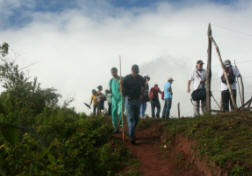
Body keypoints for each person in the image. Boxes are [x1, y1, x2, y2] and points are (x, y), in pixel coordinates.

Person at [122, 64, 145, 144]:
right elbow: (121, 88)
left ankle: (130, 132)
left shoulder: (140, 78)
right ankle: (132, 136)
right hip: (129, 101)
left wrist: (142, 94)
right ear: (131, 70)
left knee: (136, 119)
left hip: (137, 100)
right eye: (134, 72)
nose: (135, 73)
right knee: (131, 119)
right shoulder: (126, 78)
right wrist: (120, 86)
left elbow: (143, 86)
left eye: (136, 72)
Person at [109, 67, 125, 133]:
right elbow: (110, 89)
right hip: (114, 99)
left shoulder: (121, 79)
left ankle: (121, 125)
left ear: (117, 72)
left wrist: (121, 85)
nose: (113, 74)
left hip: (121, 97)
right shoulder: (111, 81)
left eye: (114, 72)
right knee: (113, 113)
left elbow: (124, 89)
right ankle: (116, 128)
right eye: (112, 72)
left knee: (120, 112)